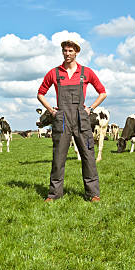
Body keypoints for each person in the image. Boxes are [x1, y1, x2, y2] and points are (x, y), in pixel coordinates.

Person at [37, 39, 107, 202]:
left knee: (88, 157)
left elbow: (102, 92)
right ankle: (54, 194)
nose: (67, 54)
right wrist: (51, 110)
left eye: (70, 51)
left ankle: (93, 194)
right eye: (65, 51)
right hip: (61, 119)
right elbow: (40, 93)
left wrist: (90, 108)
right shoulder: (54, 73)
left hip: (81, 119)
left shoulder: (86, 72)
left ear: (76, 52)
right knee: (58, 158)